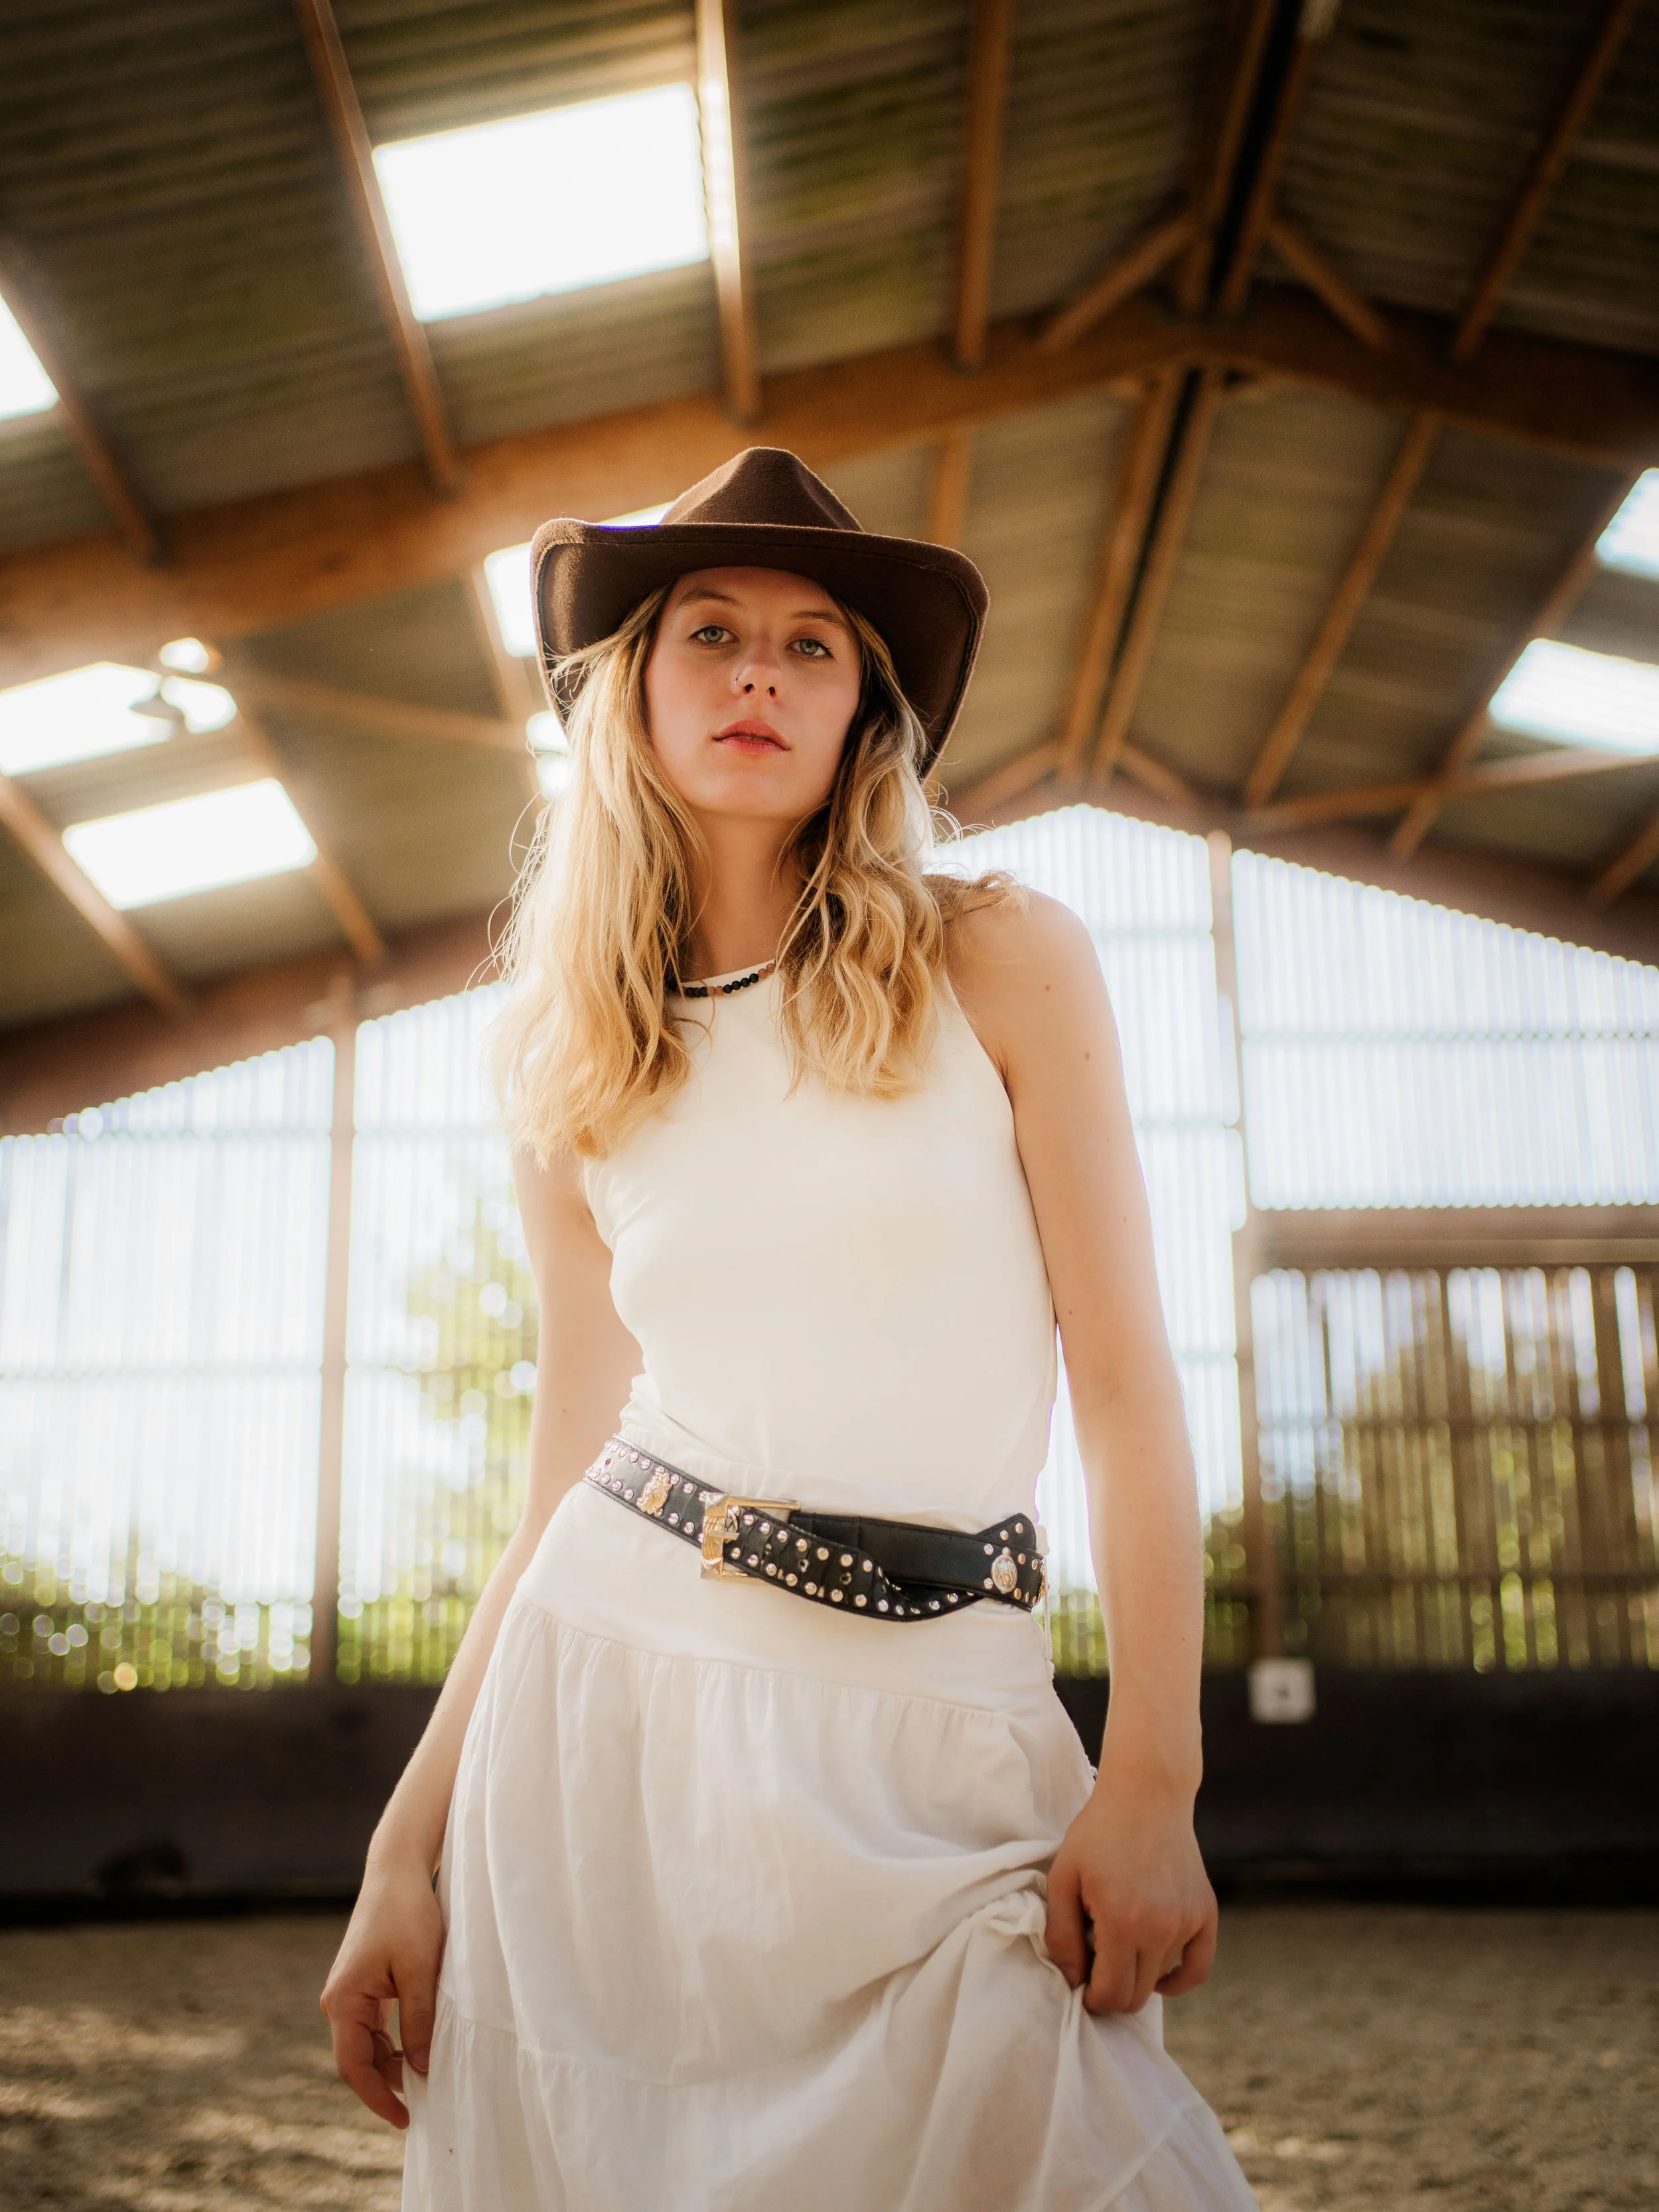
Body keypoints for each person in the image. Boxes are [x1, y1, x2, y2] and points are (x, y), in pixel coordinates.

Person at [321, 447, 1257, 2211]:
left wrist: (1154, 1774)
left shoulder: (1003, 959)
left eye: (813, 646)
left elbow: (1129, 1393)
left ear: (864, 712)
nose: (759, 673)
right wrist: (405, 1842)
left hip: (950, 1719)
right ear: (634, 692)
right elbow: (558, 1480)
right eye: (712, 633)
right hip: (612, 1715)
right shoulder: (566, 1054)